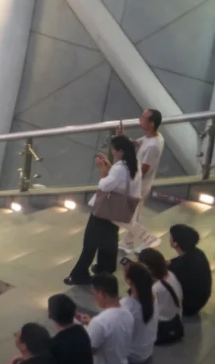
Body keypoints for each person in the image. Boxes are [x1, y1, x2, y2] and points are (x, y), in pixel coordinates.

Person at [64, 134, 141, 285]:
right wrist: (110, 167)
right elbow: (120, 181)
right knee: (109, 239)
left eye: (113, 150)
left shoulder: (120, 169)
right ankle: (106, 268)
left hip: (105, 210)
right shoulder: (134, 165)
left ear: (121, 151)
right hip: (118, 210)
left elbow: (104, 185)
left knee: (90, 242)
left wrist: (102, 169)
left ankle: (79, 275)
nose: (112, 152)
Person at [79, 273, 132, 364]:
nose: (94, 298)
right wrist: (91, 323)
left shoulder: (100, 322)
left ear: (102, 294)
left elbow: (87, 351)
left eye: (94, 294)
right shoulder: (127, 311)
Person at [125, 108, 164, 251]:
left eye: (143, 119)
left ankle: (148, 239)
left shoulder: (154, 145)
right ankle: (128, 242)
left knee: (127, 215)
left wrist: (126, 176)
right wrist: (123, 138)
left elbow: (144, 169)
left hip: (140, 184)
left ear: (152, 124)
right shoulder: (152, 137)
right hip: (138, 183)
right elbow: (138, 143)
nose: (140, 120)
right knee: (133, 214)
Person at [140, 249, 185, 345]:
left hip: (162, 323)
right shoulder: (171, 274)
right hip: (175, 316)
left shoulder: (156, 288)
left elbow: (146, 308)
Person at [169, 224, 211, 316]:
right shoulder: (197, 252)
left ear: (176, 243)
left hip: (188, 306)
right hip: (201, 299)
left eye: (171, 237)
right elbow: (177, 261)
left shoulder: (180, 267)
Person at [122, 261, 157, 364]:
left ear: (129, 280)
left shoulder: (126, 305)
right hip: (147, 350)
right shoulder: (153, 298)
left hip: (132, 355)